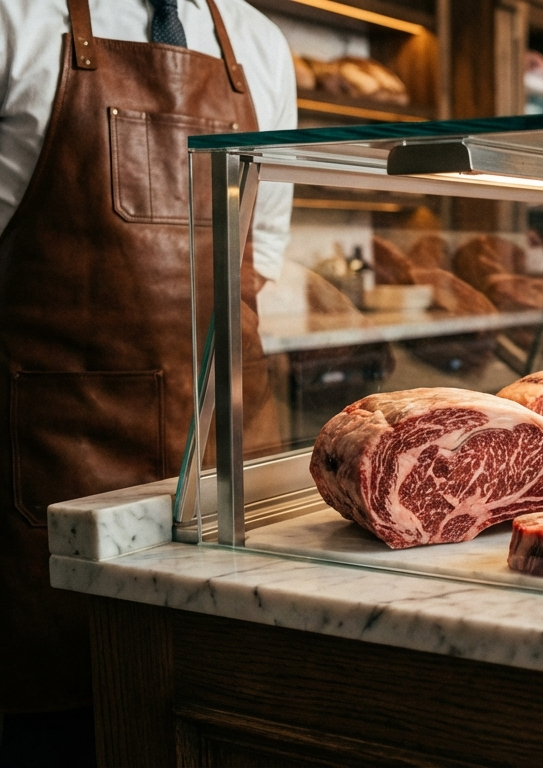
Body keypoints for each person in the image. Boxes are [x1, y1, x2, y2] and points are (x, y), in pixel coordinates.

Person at [0, 0, 294, 761]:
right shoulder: (14, 19)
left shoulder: (258, 41)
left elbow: (259, 255)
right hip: (53, 469)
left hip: (229, 474)